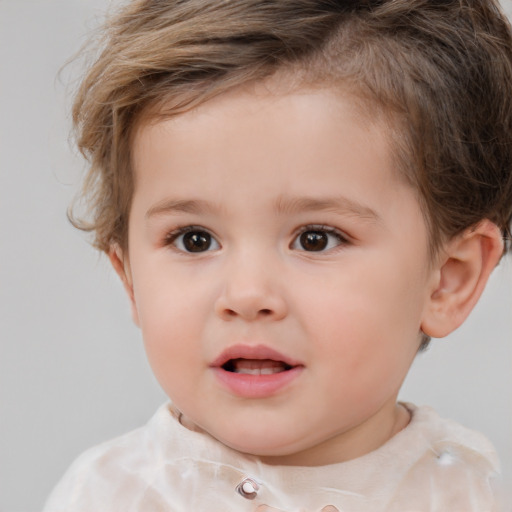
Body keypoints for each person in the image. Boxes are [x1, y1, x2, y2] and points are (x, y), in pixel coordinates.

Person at [43, 0, 512, 510]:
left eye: (316, 238)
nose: (247, 295)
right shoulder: (110, 497)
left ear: (447, 279)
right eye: (194, 239)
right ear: (130, 278)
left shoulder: (466, 497)